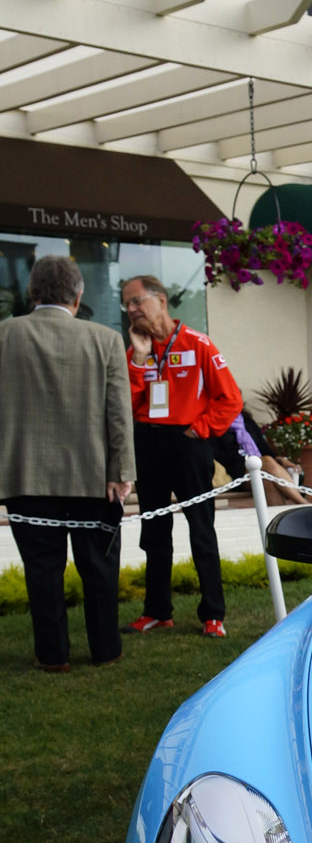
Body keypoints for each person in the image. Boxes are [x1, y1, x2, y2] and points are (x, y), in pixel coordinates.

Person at [0, 254, 134, 669]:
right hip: (95, 477)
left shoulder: (5, 334)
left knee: (42, 572)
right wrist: (123, 472)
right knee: (99, 570)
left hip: (25, 475)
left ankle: (53, 656)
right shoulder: (105, 339)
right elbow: (118, 412)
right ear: (78, 295)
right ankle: (105, 649)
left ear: (31, 293)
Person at [122, 273, 243, 639]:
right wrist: (140, 360)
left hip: (189, 443)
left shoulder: (198, 343)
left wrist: (201, 428)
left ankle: (213, 614)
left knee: (201, 529)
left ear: (160, 300)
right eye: (126, 304)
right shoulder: (135, 351)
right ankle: (157, 611)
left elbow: (230, 399)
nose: (131, 310)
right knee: (154, 530)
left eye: (136, 301)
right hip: (149, 442)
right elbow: (126, 404)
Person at [211, 408, 303, 506]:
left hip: (261, 468)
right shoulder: (215, 423)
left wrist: (280, 459)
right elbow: (218, 455)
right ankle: (302, 503)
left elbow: (263, 447)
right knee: (267, 461)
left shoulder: (246, 420)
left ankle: (278, 518)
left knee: (267, 480)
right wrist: (247, 458)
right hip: (237, 471)